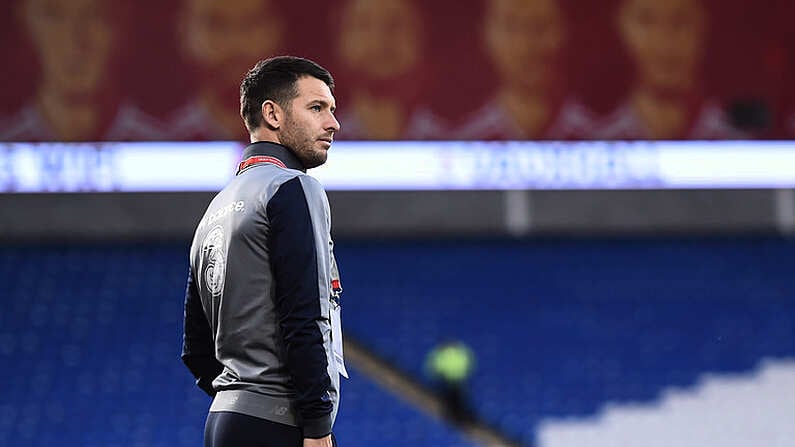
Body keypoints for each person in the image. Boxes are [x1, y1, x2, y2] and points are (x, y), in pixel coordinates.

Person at [182, 56, 347, 447]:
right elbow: (302, 316)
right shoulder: (291, 188)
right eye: (316, 108)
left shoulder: (215, 209)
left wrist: (240, 400)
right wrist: (317, 426)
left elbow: (195, 348)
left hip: (226, 419)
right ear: (272, 114)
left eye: (332, 110)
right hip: (280, 421)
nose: (333, 123)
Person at [1, 0, 164, 141]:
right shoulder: (7, 137)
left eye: (96, 15)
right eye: (53, 15)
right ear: (23, 20)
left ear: (123, 25)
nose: (74, 43)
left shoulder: (163, 148)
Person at [597, 0, 743, 139]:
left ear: (704, 26)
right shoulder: (586, 131)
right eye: (646, 21)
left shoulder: (739, 138)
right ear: (620, 25)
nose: (663, 41)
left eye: (681, 21)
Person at [453, 0, 596, 140]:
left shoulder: (599, 135)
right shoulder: (460, 143)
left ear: (566, 29)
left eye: (540, 25)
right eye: (510, 26)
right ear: (485, 33)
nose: (525, 47)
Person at [170, 0, 286, 140]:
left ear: (278, 28)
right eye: (216, 23)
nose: (236, 40)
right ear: (184, 29)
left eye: (252, 21)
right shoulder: (148, 136)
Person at [332, 0, 446, 139]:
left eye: (396, 24)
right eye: (363, 25)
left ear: (422, 36)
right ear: (340, 40)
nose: (379, 41)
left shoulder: (457, 141)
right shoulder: (311, 148)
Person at [425, 339, 476, 425]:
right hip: (453, 380)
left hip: (450, 381)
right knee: (455, 399)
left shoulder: (440, 354)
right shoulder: (460, 353)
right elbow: (469, 364)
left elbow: (433, 367)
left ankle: (457, 416)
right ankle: (457, 417)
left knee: (454, 399)